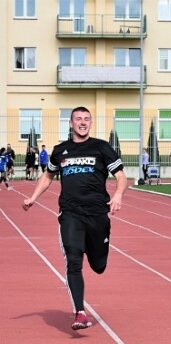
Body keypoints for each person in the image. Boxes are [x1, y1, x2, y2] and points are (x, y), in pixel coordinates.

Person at [22, 106, 127, 331]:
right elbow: (48, 177)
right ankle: (79, 312)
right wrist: (32, 198)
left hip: (98, 215)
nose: (82, 122)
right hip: (70, 214)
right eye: (78, 119)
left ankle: (95, 250)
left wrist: (118, 194)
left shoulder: (101, 148)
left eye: (86, 119)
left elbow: (121, 176)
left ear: (90, 123)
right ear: (71, 123)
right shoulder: (61, 150)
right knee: (73, 261)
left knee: (98, 266)